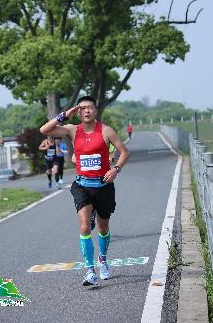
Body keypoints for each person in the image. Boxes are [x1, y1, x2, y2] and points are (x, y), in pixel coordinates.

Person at [40, 95, 130, 286]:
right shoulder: (72, 130)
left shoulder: (106, 131)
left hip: (103, 185)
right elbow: (44, 130)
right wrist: (65, 115)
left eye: (90, 107)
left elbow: (124, 152)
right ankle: (90, 271)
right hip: (82, 185)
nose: (87, 111)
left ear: (96, 111)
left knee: (103, 227)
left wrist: (115, 170)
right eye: (83, 108)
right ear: (78, 112)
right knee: (84, 226)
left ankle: (103, 260)